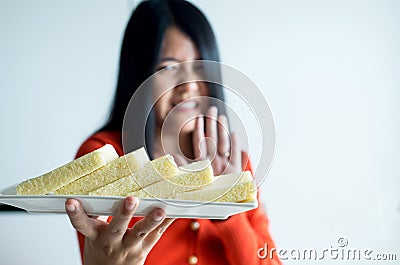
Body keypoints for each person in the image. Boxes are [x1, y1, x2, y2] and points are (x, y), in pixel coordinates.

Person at [65, 0, 281, 264]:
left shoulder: (233, 162)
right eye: (168, 68)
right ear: (138, 74)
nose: (188, 86)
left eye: (199, 68)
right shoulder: (103, 156)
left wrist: (227, 210)